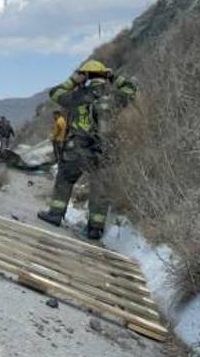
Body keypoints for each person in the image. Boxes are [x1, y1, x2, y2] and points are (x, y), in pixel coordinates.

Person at [36, 59, 136, 240]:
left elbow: (55, 93)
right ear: (105, 76)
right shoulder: (114, 97)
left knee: (65, 179)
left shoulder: (77, 96)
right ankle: (95, 228)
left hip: (76, 149)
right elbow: (131, 90)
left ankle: (56, 214)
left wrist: (74, 80)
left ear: (85, 76)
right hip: (103, 151)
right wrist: (114, 78)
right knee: (100, 188)